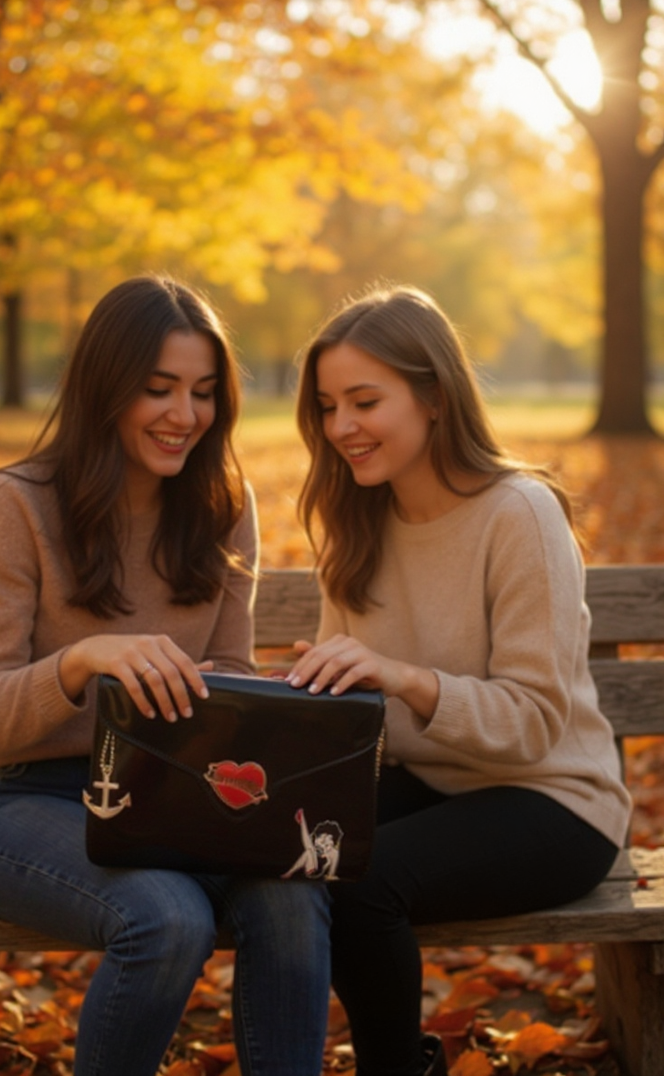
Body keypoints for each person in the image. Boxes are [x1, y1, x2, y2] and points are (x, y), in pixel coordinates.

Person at [0, 276, 331, 1076]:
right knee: (168, 917)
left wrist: (253, 702)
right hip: (7, 795)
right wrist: (84, 662)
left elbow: (229, 673)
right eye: (158, 390)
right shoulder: (16, 506)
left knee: (294, 895)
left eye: (203, 392)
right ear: (105, 387)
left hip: (165, 795)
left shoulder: (223, 504)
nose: (184, 416)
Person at [287, 283, 631, 1076]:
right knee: (282, 844)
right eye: (329, 406)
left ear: (435, 396)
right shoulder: (357, 520)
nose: (341, 428)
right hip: (436, 783)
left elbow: (534, 722)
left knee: (362, 886)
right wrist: (308, 693)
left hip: (556, 799)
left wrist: (405, 678)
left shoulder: (519, 514)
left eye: (364, 401)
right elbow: (355, 708)